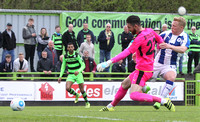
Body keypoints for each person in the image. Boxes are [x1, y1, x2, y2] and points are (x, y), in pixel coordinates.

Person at [97, 15, 175, 112]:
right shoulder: (150, 31)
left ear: (136, 26)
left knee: (133, 95)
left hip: (142, 70)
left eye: (129, 27)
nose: (128, 30)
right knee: (124, 84)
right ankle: (111, 106)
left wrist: (109, 62)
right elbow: (160, 41)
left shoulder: (139, 38)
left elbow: (126, 52)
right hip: (147, 68)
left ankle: (162, 100)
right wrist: (153, 51)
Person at [144, 17, 190, 110]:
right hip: (157, 63)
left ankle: (160, 100)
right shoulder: (165, 34)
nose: (172, 27)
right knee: (141, 81)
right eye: (172, 25)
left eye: (174, 26)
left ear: (181, 27)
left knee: (171, 77)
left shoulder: (184, 37)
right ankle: (151, 93)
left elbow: (183, 49)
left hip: (170, 65)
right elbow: (151, 40)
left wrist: (169, 46)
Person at [58, 42, 90, 108]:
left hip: (78, 74)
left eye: (71, 47)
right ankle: (76, 95)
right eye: (69, 47)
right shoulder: (65, 56)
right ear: (67, 48)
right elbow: (63, 67)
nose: (70, 48)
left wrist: (78, 71)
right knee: (67, 88)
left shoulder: (77, 55)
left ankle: (87, 102)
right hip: (71, 74)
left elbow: (83, 65)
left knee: (82, 90)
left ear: (74, 48)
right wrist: (60, 76)